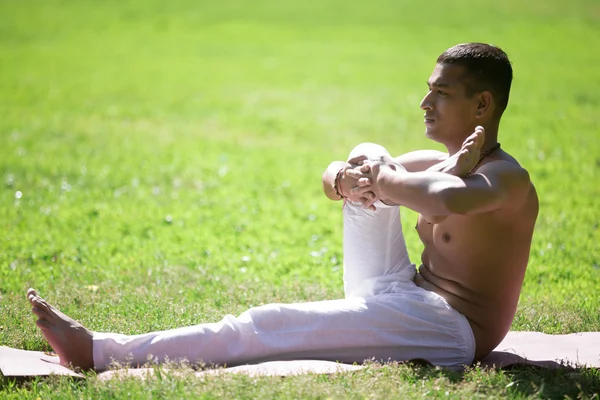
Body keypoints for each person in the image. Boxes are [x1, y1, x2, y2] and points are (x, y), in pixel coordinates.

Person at [26, 43, 538, 372]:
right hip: (396, 288)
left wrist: (392, 179)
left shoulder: (506, 179)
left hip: (450, 329)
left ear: (482, 106)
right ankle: (100, 350)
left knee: (268, 324)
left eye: (440, 94)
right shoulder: (437, 163)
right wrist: (344, 177)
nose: (424, 105)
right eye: (427, 92)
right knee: (370, 153)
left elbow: (446, 200)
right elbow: (338, 176)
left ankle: (99, 351)